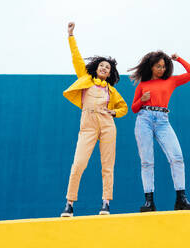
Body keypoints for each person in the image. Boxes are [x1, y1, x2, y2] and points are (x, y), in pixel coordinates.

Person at [61, 22, 128, 217]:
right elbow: (76, 58)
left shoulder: (112, 91)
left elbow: (123, 107)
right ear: (96, 68)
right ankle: (69, 203)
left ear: (110, 73)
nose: (104, 68)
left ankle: (106, 202)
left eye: (108, 67)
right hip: (88, 125)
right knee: (79, 163)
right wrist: (71, 35)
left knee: (107, 165)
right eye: (102, 65)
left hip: (107, 125)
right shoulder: (86, 79)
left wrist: (114, 113)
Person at [129, 51, 190, 212]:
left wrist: (178, 59)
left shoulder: (171, 81)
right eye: (158, 66)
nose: (161, 69)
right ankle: (149, 202)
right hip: (144, 119)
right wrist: (141, 100)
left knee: (177, 157)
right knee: (147, 161)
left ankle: (181, 199)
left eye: (164, 66)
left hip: (163, 120)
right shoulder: (142, 85)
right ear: (151, 67)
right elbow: (133, 108)